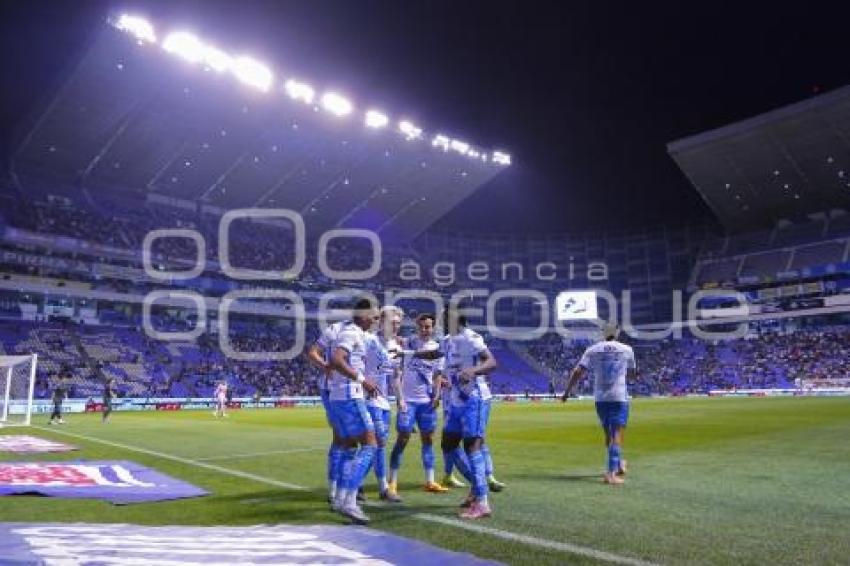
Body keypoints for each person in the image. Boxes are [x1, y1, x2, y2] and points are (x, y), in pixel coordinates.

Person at [440, 306, 498, 520]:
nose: (443, 320)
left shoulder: (471, 338)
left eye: (447, 317)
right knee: (448, 444)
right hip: (456, 401)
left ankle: (482, 503)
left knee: (472, 445)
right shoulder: (447, 340)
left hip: (475, 398)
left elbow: (491, 362)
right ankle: (477, 486)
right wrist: (408, 354)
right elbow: (435, 353)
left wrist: (473, 371)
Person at [328, 298, 381, 524]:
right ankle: (350, 501)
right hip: (350, 395)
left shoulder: (355, 333)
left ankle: (341, 498)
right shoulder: (352, 333)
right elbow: (337, 360)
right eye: (374, 315)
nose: (376, 319)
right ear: (363, 315)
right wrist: (363, 380)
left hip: (340, 396)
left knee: (350, 445)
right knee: (370, 445)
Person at [562, 323, 635, 485]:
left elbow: (577, 371)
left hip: (601, 398)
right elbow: (632, 373)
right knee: (617, 434)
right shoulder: (627, 349)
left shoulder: (592, 350)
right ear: (617, 333)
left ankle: (617, 464)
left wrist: (567, 392)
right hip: (618, 397)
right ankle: (610, 474)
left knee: (608, 434)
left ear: (603, 333)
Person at [388, 313, 448, 497]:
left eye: (428, 327)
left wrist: (437, 395)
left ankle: (430, 481)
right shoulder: (408, 344)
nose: (424, 330)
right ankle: (392, 481)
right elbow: (393, 341)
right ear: (416, 327)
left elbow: (437, 375)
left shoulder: (437, 349)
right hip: (408, 401)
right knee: (403, 437)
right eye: (421, 327)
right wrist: (400, 399)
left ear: (433, 328)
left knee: (428, 440)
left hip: (426, 402)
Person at [364, 306, 404, 502]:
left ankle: (357, 486)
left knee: (377, 444)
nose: (396, 326)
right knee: (377, 442)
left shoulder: (397, 348)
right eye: (392, 322)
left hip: (384, 403)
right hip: (367, 399)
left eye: (398, 322)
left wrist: (401, 400)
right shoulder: (369, 341)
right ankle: (383, 488)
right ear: (381, 321)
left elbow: (396, 378)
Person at [307, 317, 346, 504]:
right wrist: (325, 366)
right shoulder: (335, 329)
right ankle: (334, 490)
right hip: (332, 388)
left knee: (356, 440)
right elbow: (313, 352)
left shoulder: (368, 334)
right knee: (341, 437)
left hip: (354, 389)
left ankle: (349, 487)